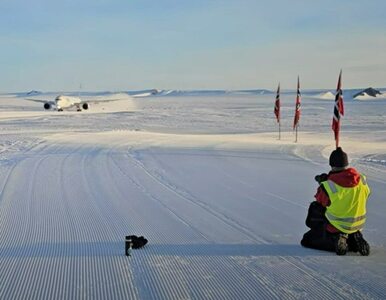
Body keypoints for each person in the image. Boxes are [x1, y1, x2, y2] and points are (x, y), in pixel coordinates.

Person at [301, 147, 371, 255]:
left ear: (332, 165)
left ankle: (338, 237)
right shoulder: (361, 179)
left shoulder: (329, 185)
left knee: (306, 240)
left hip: (337, 224)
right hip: (358, 224)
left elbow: (320, 201)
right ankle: (353, 237)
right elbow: (365, 194)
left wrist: (323, 184)